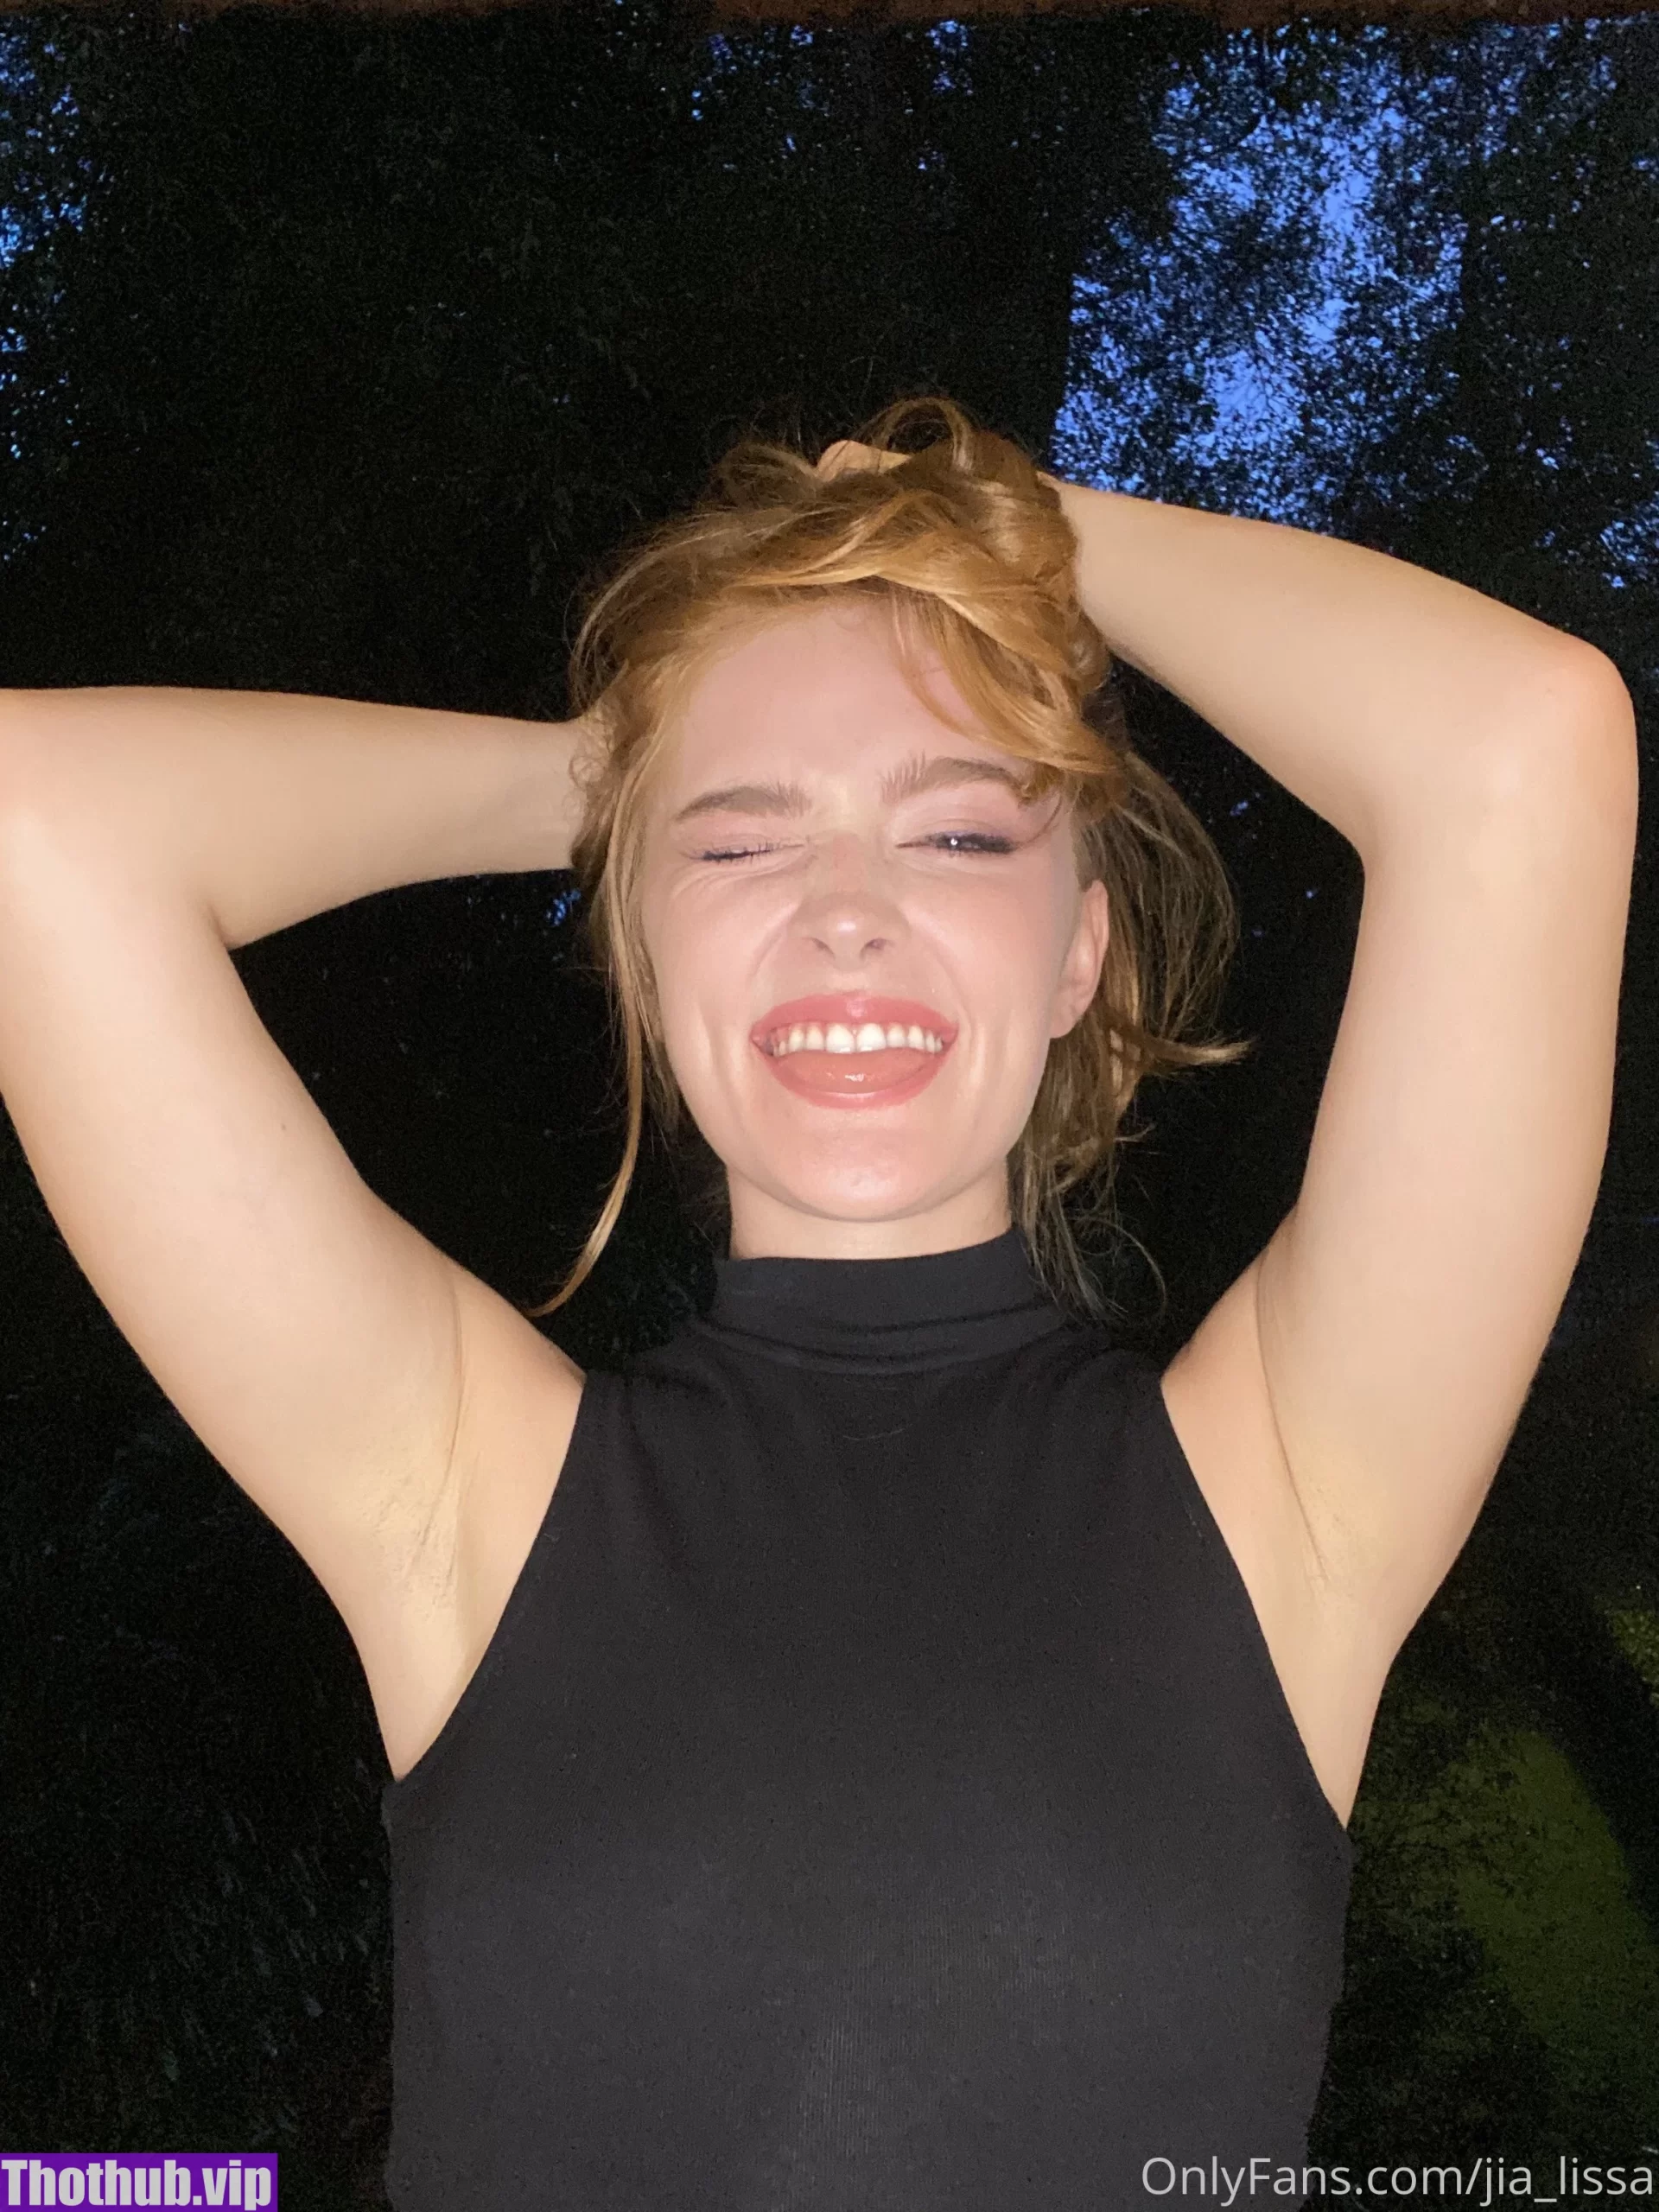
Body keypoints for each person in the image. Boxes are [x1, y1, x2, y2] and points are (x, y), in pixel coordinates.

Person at [0, 397, 1636, 2209]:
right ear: (640, 944)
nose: (847, 911)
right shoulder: (455, 1490)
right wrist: (613, 780)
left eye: (959, 837)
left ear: (1080, 951)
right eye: (739, 846)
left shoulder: (1296, 1494)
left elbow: (1522, 749)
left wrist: (986, 521)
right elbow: (33, 823)